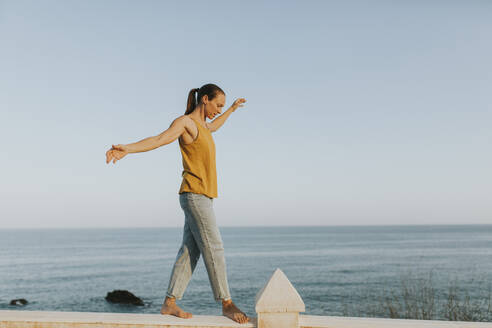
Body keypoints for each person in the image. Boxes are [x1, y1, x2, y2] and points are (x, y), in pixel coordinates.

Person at [105, 83, 249, 324]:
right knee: (214, 247)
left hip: (202, 197)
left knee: (189, 251)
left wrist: (232, 109)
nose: (218, 110)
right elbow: (159, 139)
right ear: (205, 99)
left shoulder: (204, 126)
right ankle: (226, 303)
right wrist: (127, 149)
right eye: (218, 105)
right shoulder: (185, 123)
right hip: (194, 195)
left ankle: (169, 303)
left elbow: (215, 125)